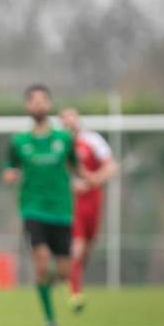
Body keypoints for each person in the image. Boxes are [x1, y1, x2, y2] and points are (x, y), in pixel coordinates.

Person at [2, 85, 81, 326]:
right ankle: (50, 320)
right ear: (27, 106)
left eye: (43, 100)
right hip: (33, 209)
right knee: (42, 261)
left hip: (62, 210)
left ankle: (45, 287)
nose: (38, 105)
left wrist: (94, 177)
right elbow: (10, 168)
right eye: (33, 101)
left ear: (50, 104)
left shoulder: (64, 139)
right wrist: (10, 176)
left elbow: (77, 169)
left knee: (64, 271)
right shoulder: (18, 141)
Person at [60, 108, 117, 312]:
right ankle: (76, 293)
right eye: (64, 119)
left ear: (78, 119)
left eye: (72, 117)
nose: (69, 122)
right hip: (70, 202)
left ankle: (71, 277)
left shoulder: (93, 140)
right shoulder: (58, 144)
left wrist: (94, 180)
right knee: (77, 246)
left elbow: (111, 167)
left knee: (88, 247)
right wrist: (70, 185)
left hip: (93, 200)